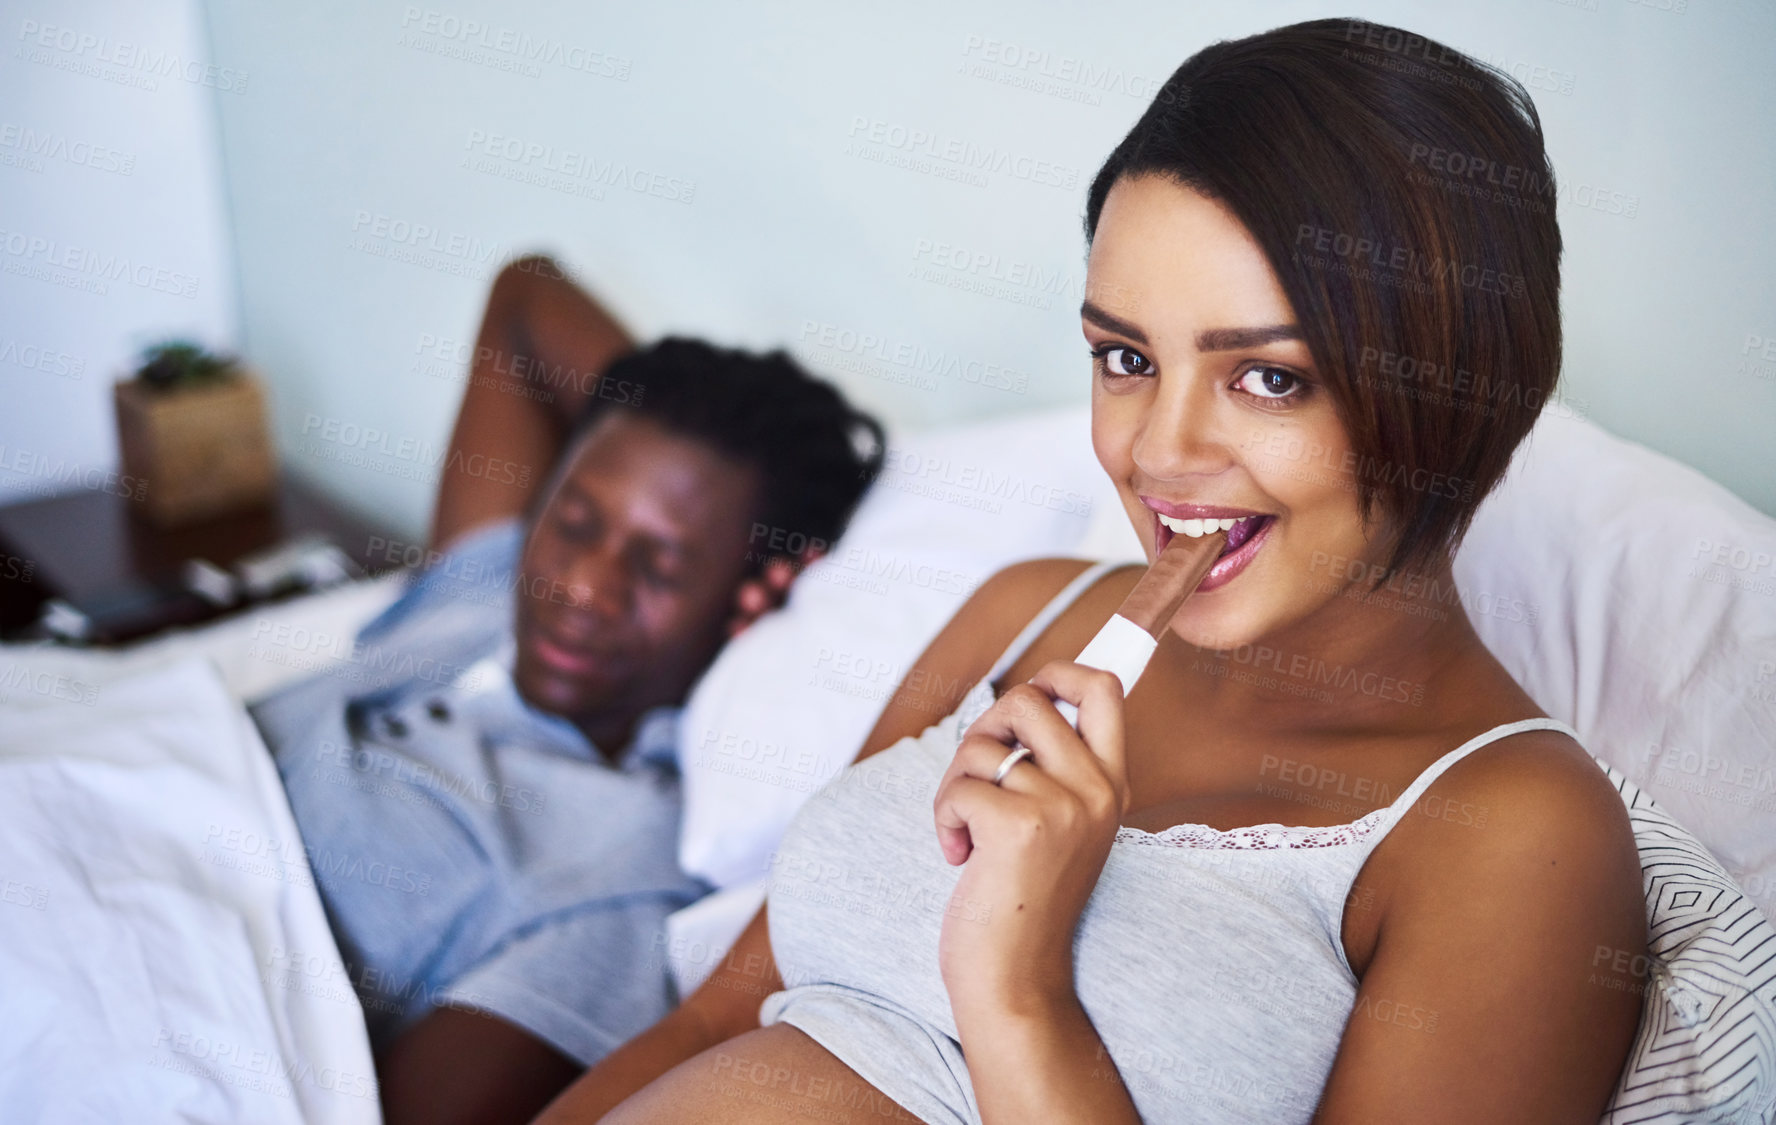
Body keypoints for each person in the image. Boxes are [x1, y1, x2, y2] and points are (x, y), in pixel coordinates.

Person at [536, 18, 1648, 1125]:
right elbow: (717, 1020)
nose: (1157, 453)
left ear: (1465, 394)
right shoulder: (1032, 612)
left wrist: (1017, 991)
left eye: (1266, 378)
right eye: (1126, 359)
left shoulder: (1520, 837)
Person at [249, 255, 884, 1125]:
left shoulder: (617, 871)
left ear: (751, 597)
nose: (583, 586)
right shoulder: (482, 590)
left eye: (660, 564)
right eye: (577, 519)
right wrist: (663, 420)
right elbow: (526, 295)